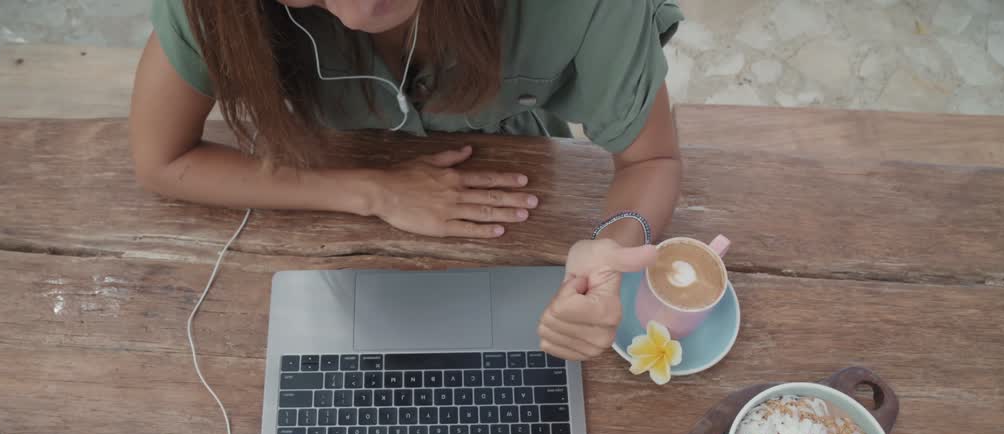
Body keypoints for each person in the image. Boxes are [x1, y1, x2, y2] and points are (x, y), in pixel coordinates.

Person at [131, 0, 684, 360]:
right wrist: (372, 191)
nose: (357, 10)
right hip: (327, 202)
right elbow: (162, 159)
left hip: (524, 188)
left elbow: (650, 160)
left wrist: (614, 247)